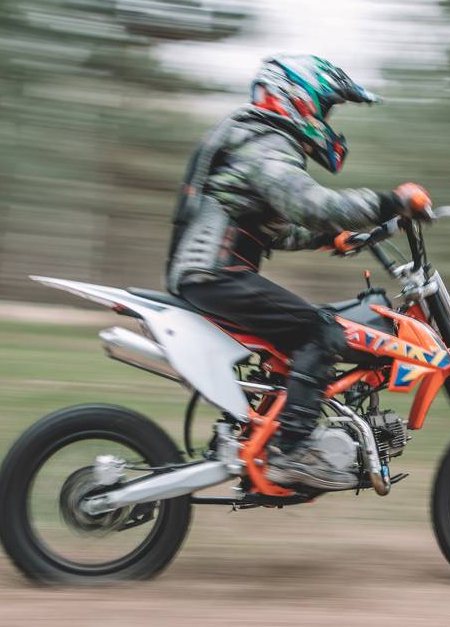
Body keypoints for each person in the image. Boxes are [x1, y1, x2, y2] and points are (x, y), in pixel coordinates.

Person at [166, 54, 431, 490]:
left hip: (213, 274)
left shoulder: (253, 138)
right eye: (325, 109)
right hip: (214, 276)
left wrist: (333, 238)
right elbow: (311, 205)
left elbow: (277, 230)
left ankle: (271, 435)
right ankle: (292, 450)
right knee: (322, 331)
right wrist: (392, 202)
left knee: (301, 336)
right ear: (298, 99)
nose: (326, 122)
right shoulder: (266, 141)